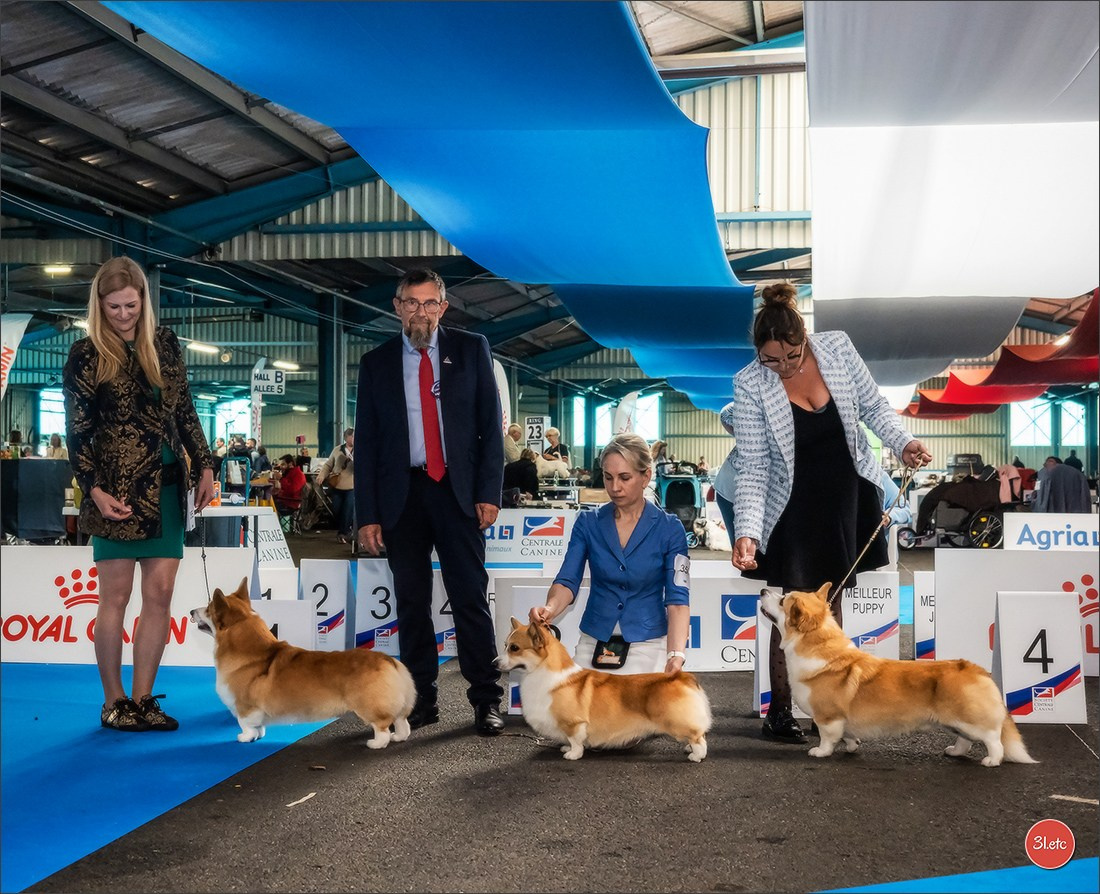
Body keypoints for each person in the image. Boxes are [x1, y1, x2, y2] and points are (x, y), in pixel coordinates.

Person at [729, 283, 931, 744]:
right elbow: (755, 466)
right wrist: (747, 532)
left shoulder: (837, 348)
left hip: (845, 496)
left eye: (792, 356)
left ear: (803, 337)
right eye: (771, 360)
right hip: (793, 507)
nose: (783, 367)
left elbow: (875, 406)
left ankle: (829, 710)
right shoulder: (748, 382)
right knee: (790, 610)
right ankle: (779, 712)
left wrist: (903, 443)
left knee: (829, 606)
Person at [63, 255, 215, 732]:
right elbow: (77, 432)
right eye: (113, 308)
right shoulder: (85, 355)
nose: (124, 315)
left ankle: (145, 699)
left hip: (169, 488)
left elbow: (185, 410)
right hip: (116, 494)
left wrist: (206, 464)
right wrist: (94, 489)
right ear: (99, 306)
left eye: (131, 305)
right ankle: (115, 703)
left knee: (161, 594)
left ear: (144, 300)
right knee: (115, 597)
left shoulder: (166, 345)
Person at [354, 267, 505, 736]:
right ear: (397, 307)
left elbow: (489, 427)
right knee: (412, 602)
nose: (421, 311)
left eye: (429, 303)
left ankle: (486, 699)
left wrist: (488, 492)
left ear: (444, 307)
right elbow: (368, 444)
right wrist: (368, 515)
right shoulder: (375, 362)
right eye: (411, 303)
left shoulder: (472, 349)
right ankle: (421, 702)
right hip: (403, 496)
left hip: (457, 493)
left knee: (469, 600)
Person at [529, 433, 690, 675]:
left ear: (646, 476)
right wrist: (550, 608)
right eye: (608, 477)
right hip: (593, 639)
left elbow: (678, 597)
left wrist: (675, 655)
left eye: (625, 478)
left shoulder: (670, 528)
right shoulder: (587, 522)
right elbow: (567, 580)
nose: (615, 487)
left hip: (648, 642)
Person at [318, 428, 355, 543]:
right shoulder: (337, 450)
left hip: (352, 486)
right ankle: (346, 529)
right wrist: (321, 475)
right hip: (337, 485)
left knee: (348, 509)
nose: (353, 438)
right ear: (346, 437)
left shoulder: (361, 449)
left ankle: (343, 533)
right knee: (336, 509)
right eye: (352, 436)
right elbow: (328, 465)